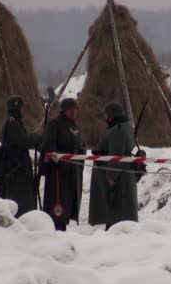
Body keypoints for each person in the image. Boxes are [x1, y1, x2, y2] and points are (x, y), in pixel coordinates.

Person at [88, 102, 138, 230]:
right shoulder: (123, 127)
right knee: (119, 207)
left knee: (116, 207)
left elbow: (116, 155)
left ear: (111, 115)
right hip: (123, 171)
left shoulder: (118, 130)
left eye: (107, 115)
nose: (106, 118)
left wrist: (111, 177)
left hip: (119, 174)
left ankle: (114, 233)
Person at [41, 98, 84, 231]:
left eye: (75, 109)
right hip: (58, 172)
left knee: (69, 202)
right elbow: (48, 147)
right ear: (63, 110)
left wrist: (80, 155)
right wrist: (58, 159)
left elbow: (79, 145)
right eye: (70, 109)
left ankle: (62, 226)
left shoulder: (75, 126)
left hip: (73, 171)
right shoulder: (55, 124)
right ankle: (56, 229)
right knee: (57, 204)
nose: (73, 112)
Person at [0, 95, 42, 218]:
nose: (24, 110)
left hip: (18, 168)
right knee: (20, 202)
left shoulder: (14, 121)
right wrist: (36, 138)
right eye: (22, 107)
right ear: (16, 108)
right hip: (16, 170)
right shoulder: (12, 123)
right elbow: (23, 141)